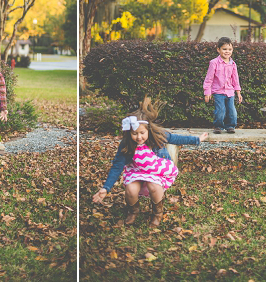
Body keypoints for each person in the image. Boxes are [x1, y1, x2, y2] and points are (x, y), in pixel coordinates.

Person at [92, 97, 208, 227]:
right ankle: (133, 211)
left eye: (142, 132)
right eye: (135, 133)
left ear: (148, 129)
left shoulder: (158, 135)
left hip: (156, 169)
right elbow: (117, 165)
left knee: (154, 186)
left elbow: (176, 138)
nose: (139, 137)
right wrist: (106, 188)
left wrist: (197, 140)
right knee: (130, 189)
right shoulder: (127, 144)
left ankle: (157, 213)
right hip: (136, 170)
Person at [203, 37, 242, 134]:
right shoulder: (214, 63)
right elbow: (209, 79)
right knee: (220, 111)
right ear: (218, 50)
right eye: (224, 49)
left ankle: (230, 126)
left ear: (232, 50)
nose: (227, 51)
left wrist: (238, 93)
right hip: (218, 92)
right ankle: (218, 126)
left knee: (232, 112)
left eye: (229, 49)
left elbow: (235, 79)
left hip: (230, 92)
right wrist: (207, 92)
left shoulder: (233, 64)